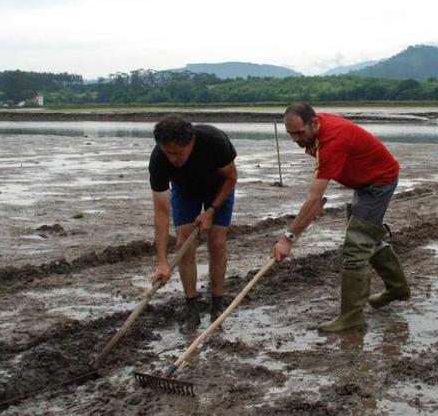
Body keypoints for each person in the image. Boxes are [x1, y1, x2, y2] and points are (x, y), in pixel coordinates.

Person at [272, 102, 409, 332]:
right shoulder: (318, 127)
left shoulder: (332, 140)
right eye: (290, 134)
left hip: (378, 183)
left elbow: (314, 195)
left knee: (356, 247)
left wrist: (288, 238)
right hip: (365, 181)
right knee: (367, 238)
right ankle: (397, 288)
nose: (295, 139)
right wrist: (316, 203)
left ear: (314, 123)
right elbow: (320, 184)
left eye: (299, 133)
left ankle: (352, 316)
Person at [148, 114, 238, 329]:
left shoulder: (215, 141)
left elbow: (232, 178)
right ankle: (192, 305)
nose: (173, 159)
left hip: (219, 188)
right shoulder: (159, 160)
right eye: (168, 153)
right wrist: (162, 261)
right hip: (185, 191)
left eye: (178, 153)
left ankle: (217, 302)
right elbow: (161, 212)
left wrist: (211, 210)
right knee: (183, 242)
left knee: (216, 241)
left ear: (191, 142)